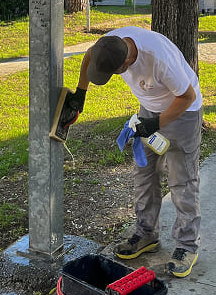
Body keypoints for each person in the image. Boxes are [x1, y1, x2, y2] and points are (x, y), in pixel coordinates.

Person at [69, 26, 203, 278]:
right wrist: (80, 93)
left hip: (182, 111)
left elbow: (186, 96)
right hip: (149, 109)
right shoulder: (107, 45)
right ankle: (146, 233)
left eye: (114, 72)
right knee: (144, 173)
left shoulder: (159, 59)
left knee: (182, 180)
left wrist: (157, 124)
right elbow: (89, 56)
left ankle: (187, 245)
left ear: (128, 61)